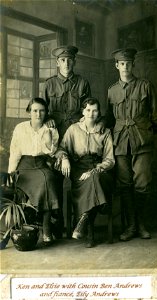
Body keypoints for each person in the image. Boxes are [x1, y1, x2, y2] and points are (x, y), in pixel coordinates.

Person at [106, 48, 157, 241]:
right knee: (124, 184)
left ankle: (141, 223)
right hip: (120, 142)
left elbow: (156, 115)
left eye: (129, 63)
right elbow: (108, 119)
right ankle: (130, 226)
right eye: (122, 63)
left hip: (142, 140)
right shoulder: (111, 90)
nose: (125, 67)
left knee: (143, 183)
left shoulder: (145, 86)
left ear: (133, 65)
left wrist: (148, 133)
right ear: (116, 66)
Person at [43, 45, 91, 236]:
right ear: (57, 63)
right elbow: (42, 109)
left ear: (74, 61)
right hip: (55, 138)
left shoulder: (82, 83)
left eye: (69, 59)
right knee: (55, 180)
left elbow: (88, 110)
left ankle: (78, 222)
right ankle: (59, 222)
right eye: (62, 60)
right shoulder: (49, 84)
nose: (66, 63)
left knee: (78, 177)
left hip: (77, 137)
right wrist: (48, 118)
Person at [56, 98, 115, 248]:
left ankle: (86, 224)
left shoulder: (105, 132)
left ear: (99, 112)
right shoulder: (73, 129)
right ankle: (100, 207)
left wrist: (96, 169)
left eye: (95, 110)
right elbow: (61, 148)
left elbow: (110, 159)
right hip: (79, 170)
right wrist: (64, 158)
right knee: (90, 182)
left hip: (100, 170)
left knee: (94, 178)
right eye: (88, 110)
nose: (91, 113)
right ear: (83, 111)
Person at [8, 97, 59, 244]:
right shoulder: (20, 128)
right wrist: (12, 172)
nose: (38, 114)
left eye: (42, 111)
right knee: (43, 179)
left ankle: (46, 226)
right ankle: (37, 225)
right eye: (35, 110)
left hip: (42, 164)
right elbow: (15, 152)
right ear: (29, 112)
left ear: (46, 112)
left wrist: (49, 135)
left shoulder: (50, 129)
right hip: (24, 166)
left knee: (48, 178)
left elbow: (51, 152)